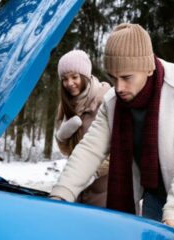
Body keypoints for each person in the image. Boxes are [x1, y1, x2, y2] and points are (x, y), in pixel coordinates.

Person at [50, 24, 174, 240]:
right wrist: (61, 194)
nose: (119, 87)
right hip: (154, 201)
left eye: (126, 77)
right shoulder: (113, 102)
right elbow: (89, 150)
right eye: (113, 78)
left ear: (148, 67)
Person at [55, 50, 111, 207]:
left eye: (74, 77)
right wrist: (61, 138)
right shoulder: (65, 106)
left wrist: (92, 171)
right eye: (64, 79)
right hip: (77, 188)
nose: (69, 83)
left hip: (105, 190)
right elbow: (67, 151)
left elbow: (119, 149)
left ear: (85, 76)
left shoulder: (107, 101)